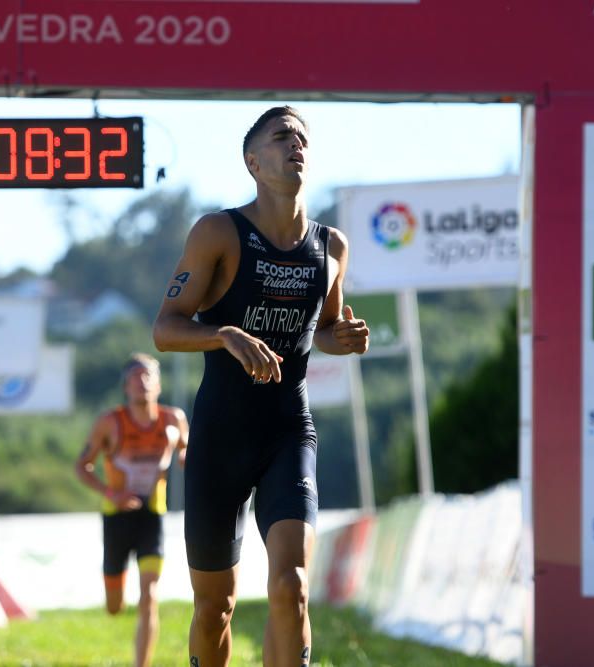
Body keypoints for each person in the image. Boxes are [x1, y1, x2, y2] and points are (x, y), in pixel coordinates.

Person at [152, 106, 370, 667]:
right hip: (220, 437)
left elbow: (323, 329)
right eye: (281, 136)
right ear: (253, 161)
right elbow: (166, 327)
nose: (295, 143)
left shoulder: (332, 248)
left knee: (290, 586)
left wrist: (338, 338)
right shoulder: (218, 232)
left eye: (302, 136)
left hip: (286, 432)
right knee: (213, 609)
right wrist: (225, 334)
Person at [75, 353, 189, 667]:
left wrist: (184, 456)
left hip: (152, 515)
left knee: (149, 594)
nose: (142, 382)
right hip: (117, 516)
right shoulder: (109, 422)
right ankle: (114, 589)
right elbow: (81, 467)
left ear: (159, 384)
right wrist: (112, 492)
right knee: (115, 606)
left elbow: (186, 452)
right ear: (125, 386)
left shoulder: (173, 419)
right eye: (135, 377)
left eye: (148, 376)